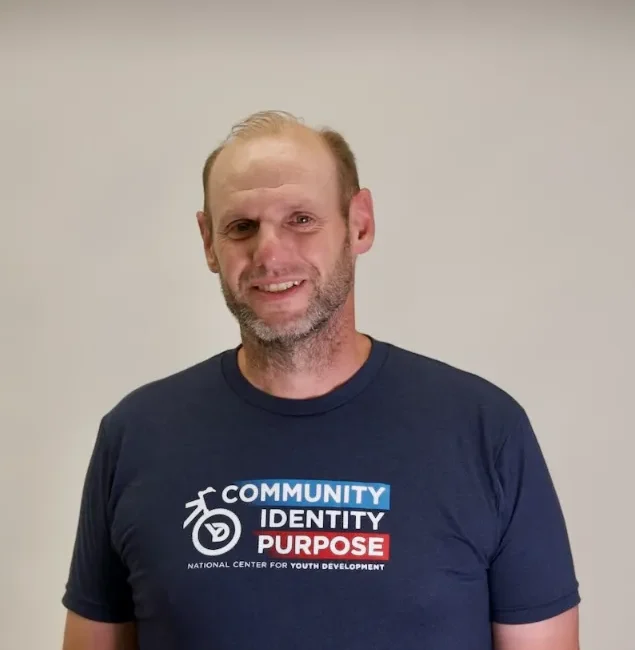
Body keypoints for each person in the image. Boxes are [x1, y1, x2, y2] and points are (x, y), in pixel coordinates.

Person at [60, 110, 581, 650]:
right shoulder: (137, 434)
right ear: (209, 242)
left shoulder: (484, 430)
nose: (269, 254)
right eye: (241, 227)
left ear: (360, 224)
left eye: (302, 219)